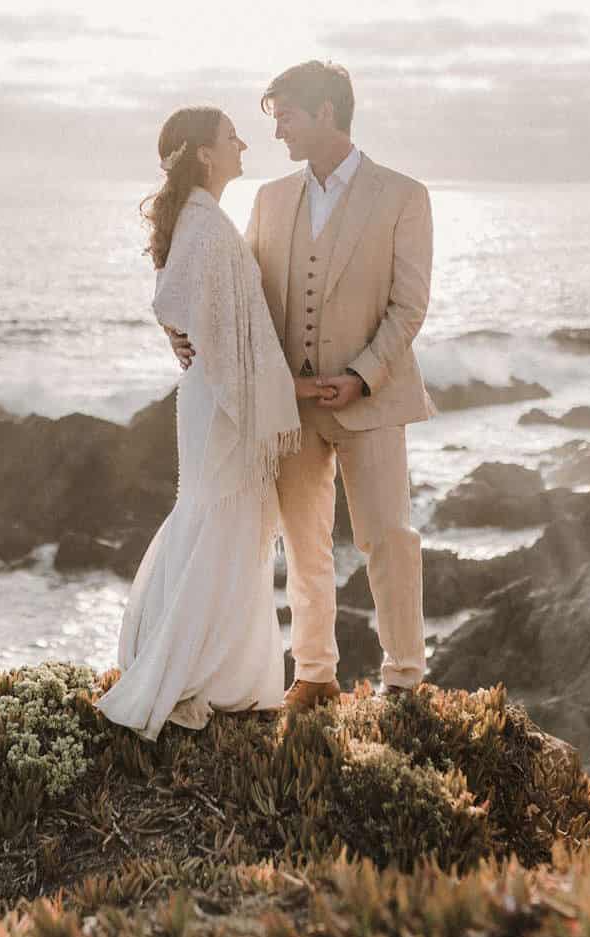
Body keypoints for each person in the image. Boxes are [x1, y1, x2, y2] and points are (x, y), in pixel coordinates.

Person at [170, 61, 434, 712]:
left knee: (386, 537)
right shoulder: (270, 199)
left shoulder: (403, 195)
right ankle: (314, 674)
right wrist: (189, 333)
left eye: (286, 115)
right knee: (304, 544)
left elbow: (409, 306)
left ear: (325, 114)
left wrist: (361, 375)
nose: (278, 130)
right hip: (292, 407)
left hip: (371, 401)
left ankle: (404, 674)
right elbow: (243, 298)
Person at [97, 107, 319, 740]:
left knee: (221, 523)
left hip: (214, 398)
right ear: (201, 153)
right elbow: (200, 320)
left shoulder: (200, 219)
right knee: (219, 522)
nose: (244, 143)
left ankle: (219, 673)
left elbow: (187, 308)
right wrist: (287, 387)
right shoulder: (204, 223)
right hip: (221, 404)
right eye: (231, 137)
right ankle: (184, 670)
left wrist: (182, 331)